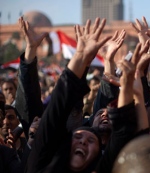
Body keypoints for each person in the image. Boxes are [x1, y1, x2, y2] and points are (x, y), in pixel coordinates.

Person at [24, 16, 112, 173]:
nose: (83, 142)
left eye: (91, 140)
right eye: (77, 137)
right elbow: (57, 109)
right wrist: (80, 57)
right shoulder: (39, 166)